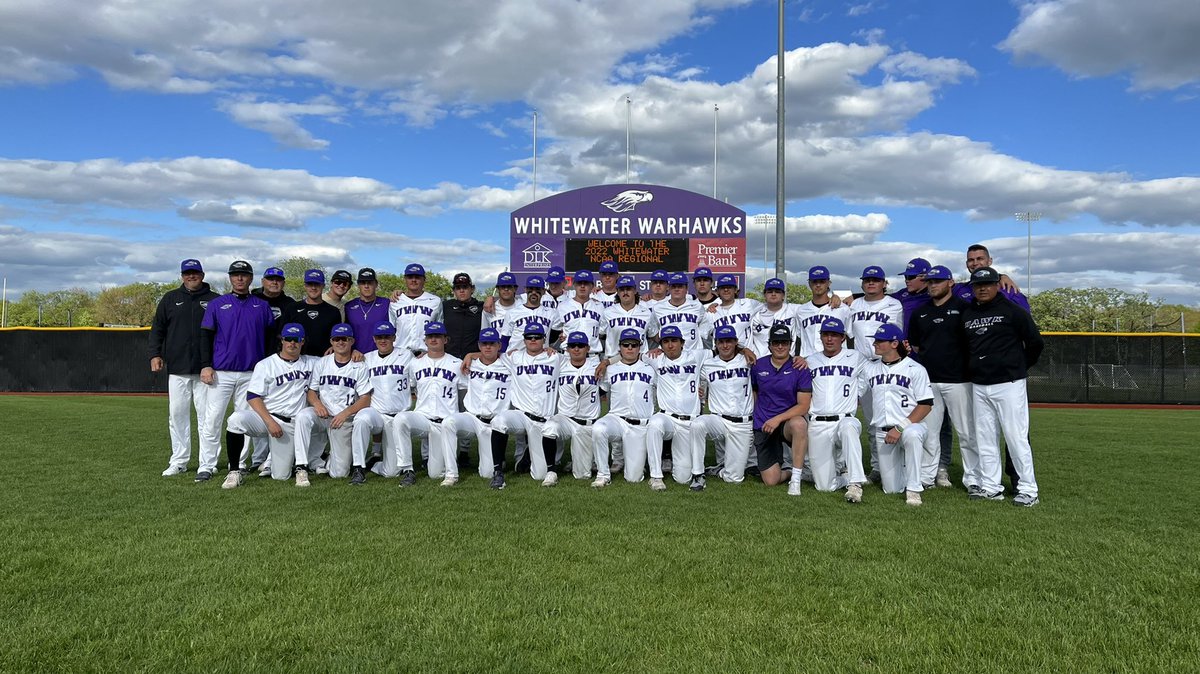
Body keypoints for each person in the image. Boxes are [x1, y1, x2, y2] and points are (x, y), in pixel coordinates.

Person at [961, 266, 1044, 506]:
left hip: (1008, 383)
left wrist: (1017, 368)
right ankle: (991, 486)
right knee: (985, 437)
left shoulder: (1013, 311)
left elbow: (1035, 343)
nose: (983, 288)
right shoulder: (967, 314)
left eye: (987, 284)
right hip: (979, 384)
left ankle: (1028, 489)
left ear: (997, 284)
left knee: (1015, 437)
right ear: (973, 287)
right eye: (978, 285)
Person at [195, 260, 275, 483]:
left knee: (243, 420)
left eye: (244, 275)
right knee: (212, 419)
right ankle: (207, 465)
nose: (240, 279)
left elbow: (270, 340)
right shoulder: (217, 304)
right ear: (230, 278)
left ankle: (237, 465)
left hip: (252, 373)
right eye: (236, 275)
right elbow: (205, 336)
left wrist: (266, 368)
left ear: (251, 278)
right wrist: (205, 364)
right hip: (222, 372)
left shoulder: (262, 306)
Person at [221, 323, 319, 487]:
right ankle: (234, 471)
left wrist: (355, 353)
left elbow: (337, 359)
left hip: (293, 424)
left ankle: (287, 460)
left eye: (296, 340)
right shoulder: (266, 364)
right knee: (235, 419)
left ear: (303, 342)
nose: (292, 343)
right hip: (268, 418)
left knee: (280, 476)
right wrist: (270, 421)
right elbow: (253, 396)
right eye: (288, 339)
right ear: (282, 340)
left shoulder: (313, 362)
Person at [906, 265, 975, 491]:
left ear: (950, 282)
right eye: (930, 281)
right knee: (929, 433)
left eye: (938, 281)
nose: (933, 285)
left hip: (959, 380)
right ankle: (927, 477)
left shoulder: (965, 309)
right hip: (930, 381)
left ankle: (974, 479)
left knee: (966, 433)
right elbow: (916, 345)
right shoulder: (921, 312)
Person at [149, 258, 219, 476]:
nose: (191, 276)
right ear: (182, 276)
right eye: (187, 273)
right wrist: (155, 354)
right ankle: (179, 460)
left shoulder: (215, 300)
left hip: (205, 369)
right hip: (177, 368)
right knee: (177, 415)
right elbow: (158, 328)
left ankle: (208, 462)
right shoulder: (171, 298)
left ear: (202, 275)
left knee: (207, 419)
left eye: (195, 273)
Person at [291, 323, 374, 486]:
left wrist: (345, 413)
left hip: (344, 419)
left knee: (339, 473)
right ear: (331, 341)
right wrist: (316, 403)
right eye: (337, 339)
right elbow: (311, 391)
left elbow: (365, 399)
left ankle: (326, 458)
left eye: (345, 339)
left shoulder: (360, 365)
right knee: (302, 416)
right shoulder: (322, 363)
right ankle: (301, 466)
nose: (340, 342)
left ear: (352, 341)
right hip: (322, 414)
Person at [863, 324, 934, 506]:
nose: (875, 344)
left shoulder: (915, 368)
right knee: (891, 489)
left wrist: (900, 427)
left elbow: (926, 405)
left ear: (895, 343)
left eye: (880, 341)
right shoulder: (870, 369)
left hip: (910, 426)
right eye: (875, 340)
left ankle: (914, 489)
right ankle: (907, 472)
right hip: (883, 432)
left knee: (911, 435)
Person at [846, 265, 905, 483]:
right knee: (871, 421)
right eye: (867, 280)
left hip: (888, 363)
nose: (871, 283)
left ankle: (903, 465)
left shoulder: (893, 304)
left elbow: (896, 335)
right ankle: (877, 467)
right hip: (863, 365)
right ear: (862, 283)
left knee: (894, 416)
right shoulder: (854, 305)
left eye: (876, 279)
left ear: (884, 283)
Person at [487, 323, 563, 489]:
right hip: (521, 415)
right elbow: (489, 355)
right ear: (524, 340)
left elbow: (579, 360)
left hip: (543, 420)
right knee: (499, 421)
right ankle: (498, 472)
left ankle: (527, 455)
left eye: (537, 337)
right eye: (529, 337)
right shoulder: (514, 357)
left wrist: (606, 361)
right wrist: (470, 355)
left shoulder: (555, 358)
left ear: (544, 339)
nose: (533, 340)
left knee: (540, 475)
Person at [802, 317, 868, 502]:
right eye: (826, 335)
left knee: (848, 427)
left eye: (835, 335)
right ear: (821, 337)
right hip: (818, 423)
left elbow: (866, 378)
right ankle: (844, 477)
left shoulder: (856, 357)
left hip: (844, 418)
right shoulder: (811, 360)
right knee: (824, 486)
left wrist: (856, 395)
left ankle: (855, 484)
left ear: (843, 338)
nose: (830, 339)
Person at [393, 321, 465, 487]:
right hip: (423, 419)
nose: (434, 339)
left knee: (434, 474)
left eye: (438, 336)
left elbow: (465, 390)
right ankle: (407, 470)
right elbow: (412, 387)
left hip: (445, 423)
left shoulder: (456, 364)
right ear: (425, 340)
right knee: (400, 419)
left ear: (445, 340)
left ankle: (445, 463)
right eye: (430, 336)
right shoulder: (415, 364)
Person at [591, 328, 658, 488]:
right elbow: (601, 390)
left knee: (634, 478)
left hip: (640, 425)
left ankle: (639, 463)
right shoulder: (610, 369)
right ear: (619, 347)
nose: (629, 348)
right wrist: (607, 362)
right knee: (599, 428)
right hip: (617, 419)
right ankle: (602, 474)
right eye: (626, 344)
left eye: (633, 345)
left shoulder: (650, 368)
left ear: (640, 347)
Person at [446, 328, 512, 480]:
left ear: (499, 346)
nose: (488, 347)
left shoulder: (509, 364)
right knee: (448, 423)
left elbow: (529, 356)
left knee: (487, 474)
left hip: (494, 424)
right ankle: (451, 474)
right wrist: (470, 355)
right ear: (479, 345)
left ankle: (497, 461)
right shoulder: (470, 364)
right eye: (484, 343)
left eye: (492, 343)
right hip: (472, 418)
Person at [693, 325, 755, 486]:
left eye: (729, 341)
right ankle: (698, 473)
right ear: (716, 344)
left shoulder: (747, 360)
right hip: (719, 421)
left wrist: (745, 350)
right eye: (721, 342)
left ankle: (721, 470)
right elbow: (699, 387)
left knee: (734, 478)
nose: (725, 345)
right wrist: (701, 393)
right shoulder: (708, 365)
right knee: (698, 424)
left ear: (736, 342)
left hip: (743, 423)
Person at [644, 326, 706, 487]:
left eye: (674, 341)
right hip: (667, 417)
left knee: (683, 478)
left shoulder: (697, 355)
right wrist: (606, 361)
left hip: (688, 422)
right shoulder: (654, 358)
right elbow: (628, 355)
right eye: (666, 341)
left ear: (682, 343)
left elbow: (724, 350)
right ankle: (656, 476)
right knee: (655, 423)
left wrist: (744, 350)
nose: (670, 345)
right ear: (661, 345)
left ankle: (680, 467)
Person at [750, 325, 811, 490]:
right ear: (769, 344)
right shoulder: (758, 365)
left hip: (786, 423)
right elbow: (755, 393)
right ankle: (790, 472)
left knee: (799, 423)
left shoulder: (799, 367)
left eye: (784, 342)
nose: (780, 346)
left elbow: (804, 405)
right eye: (776, 342)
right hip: (764, 424)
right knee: (771, 480)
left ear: (790, 344)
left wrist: (778, 419)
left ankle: (796, 481)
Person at [352, 321, 414, 479]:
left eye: (387, 336)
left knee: (391, 472)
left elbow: (415, 381)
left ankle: (376, 464)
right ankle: (358, 467)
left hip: (399, 416)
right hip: (377, 414)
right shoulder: (367, 358)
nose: (383, 340)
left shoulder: (406, 355)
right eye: (379, 337)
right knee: (361, 419)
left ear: (394, 337)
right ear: (374, 339)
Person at [543, 331, 602, 481]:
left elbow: (624, 358)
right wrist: (549, 347)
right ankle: (551, 471)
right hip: (565, 419)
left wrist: (608, 362)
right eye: (572, 346)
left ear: (588, 348)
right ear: (567, 349)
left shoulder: (597, 366)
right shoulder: (560, 363)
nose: (576, 349)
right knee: (550, 427)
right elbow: (535, 354)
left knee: (582, 475)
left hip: (586, 423)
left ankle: (584, 461)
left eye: (580, 346)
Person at [443, 272, 486, 465]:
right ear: (453, 290)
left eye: (465, 287)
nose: (461, 290)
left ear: (472, 288)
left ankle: (464, 450)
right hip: (449, 361)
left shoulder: (482, 307)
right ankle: (446, 449)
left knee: (467, 405)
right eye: (458, 287)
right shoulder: (445, 306)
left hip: (472, 364)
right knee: (448, 405)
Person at [280, 269, 342, 357]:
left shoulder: (333, 311)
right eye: (310, 284)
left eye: (317, 284)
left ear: (323, 286)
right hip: (297, 360)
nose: (313, 288)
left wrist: (333, 347)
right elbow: (282, 335)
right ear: (305, 286)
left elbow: (338, 337)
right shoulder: (292, 308)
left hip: (324, 360)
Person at [651, 272, 714, 353]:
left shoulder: (697, 306)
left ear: (686, 288)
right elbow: (652, 331)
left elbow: (704, 331)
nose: (677, 289)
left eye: (680, 286)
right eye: (674, 286)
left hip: (693, 354)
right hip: (668, 355)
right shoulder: (658, 308)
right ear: (669, 288)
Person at [390, 263, 443, 356]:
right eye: (410, 277)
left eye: (417, 277)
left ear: (424, 280)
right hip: (400, 354)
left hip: (426, 354)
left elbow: (440, 330)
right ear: (405, 279)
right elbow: (391, 330)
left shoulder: (435, 301)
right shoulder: (395, 301)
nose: (413, 280)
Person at [795, 265, 849, 357]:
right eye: (815, 281)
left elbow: (850, 337)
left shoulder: (842, 309)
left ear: (829, 283)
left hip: (837, 360)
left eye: (822, 281)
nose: (818, 285)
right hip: (808, 360)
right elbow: (799, 338)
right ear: (809, 283)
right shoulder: (801, 311)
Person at [500, 275, 562, 352]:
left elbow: (556, 335)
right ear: (525, 289)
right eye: (531, 289)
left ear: (543, 291)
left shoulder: (552, 313)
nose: (534, 292)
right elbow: (505, 339)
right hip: (516, 358)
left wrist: (548, 346)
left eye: (537, 289)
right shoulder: (512, 313)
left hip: (541, 357)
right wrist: (503, 357)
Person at [601, 275, 657, 359]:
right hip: (613, 359)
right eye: (622, 289)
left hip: (640, 360)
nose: (625, 292)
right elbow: (599, 335)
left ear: (634, 290)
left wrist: (660, 349)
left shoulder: (646, 313)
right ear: (617, 291)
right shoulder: (607, 312)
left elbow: (655, 336)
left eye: (628, 289)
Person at [555, 270, 605, 355]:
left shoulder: (599, 306)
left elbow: (604, 332)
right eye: (579, 283)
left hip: (592, 356)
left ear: (592, 286)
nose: (582, 286)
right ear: (574, 285)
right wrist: (560, 335)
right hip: (568, 355)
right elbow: (553, 330)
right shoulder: (563, 306)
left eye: (586, 283)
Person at [749, 277, 801, 358]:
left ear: (783, 295)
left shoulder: (793, 310)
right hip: (760, 363)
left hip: (787, 363)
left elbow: (814, 307)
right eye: (770, 291)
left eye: (777, 291)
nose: (773, 294)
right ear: (764, 295)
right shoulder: (754, 312)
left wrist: (828, 301)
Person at [343, 267, 390, 355]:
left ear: (376, 284)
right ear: (358, 285)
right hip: (356, 357)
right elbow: (344, 335)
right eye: (363, 283)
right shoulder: (349, 306)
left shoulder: (387, 303)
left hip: (381, 357)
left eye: (370, 283)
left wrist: (399, 292)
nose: (366, 286)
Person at [891, 257, 933, 327]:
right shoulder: (902, 293)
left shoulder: (935, 296)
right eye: (906, 277)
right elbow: (881, 298)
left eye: (911, 277)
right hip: (906, 337)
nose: (906, 280)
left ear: (924, 277)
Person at [482, 271, 519, 336]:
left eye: (509, 286)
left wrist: (492, 297)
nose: (506, 289)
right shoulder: (489, 308)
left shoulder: (523, 305)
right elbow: (484, 333)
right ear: (498, 289)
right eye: (503, 286)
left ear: (515, 289)